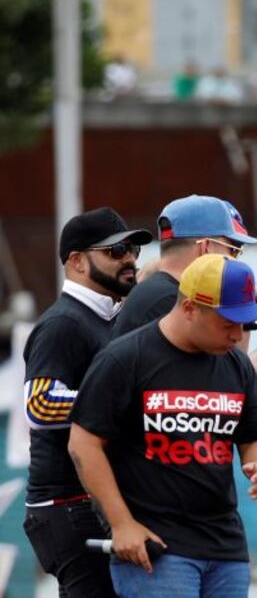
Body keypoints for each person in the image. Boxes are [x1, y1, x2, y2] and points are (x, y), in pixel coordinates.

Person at [68, 254, 257, 597]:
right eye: (228, 323)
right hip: (157, 549)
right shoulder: (126, 358)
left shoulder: (236, 366)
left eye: (245, 324)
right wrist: (121, 525)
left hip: (225, 549)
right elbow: (83, 444)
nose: (238, 334)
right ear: (190, 308)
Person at [22, 207, 152, 596]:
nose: (129, 260)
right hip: (67, 505)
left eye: (132, 250)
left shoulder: (108, 319)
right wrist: (125, 403)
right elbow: (41, 405)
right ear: (77, 262)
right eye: (115, 252)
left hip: (88, 504)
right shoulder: (64, 323)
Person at [113, 194, 257, 379]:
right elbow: (224, 384)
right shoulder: (170, 300)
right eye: (233, 250)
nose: (235, 260)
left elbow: (230, 368)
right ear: (205, 248)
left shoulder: (158, 290)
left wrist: (242, 314)